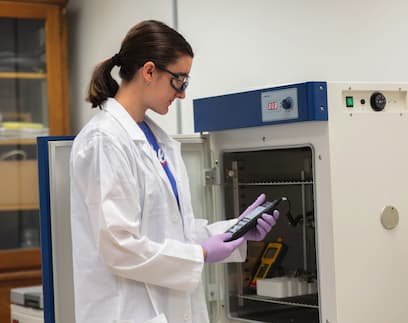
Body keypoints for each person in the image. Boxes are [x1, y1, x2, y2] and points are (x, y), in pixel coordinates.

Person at [70, 20, 279, 323]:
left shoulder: (157, 140)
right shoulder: (105, 141)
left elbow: (177, 232)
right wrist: (202, 254)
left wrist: (237, 230)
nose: (182, 93)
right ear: (150, 71)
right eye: (179, 80)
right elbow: (119, 247)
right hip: (126, 312)